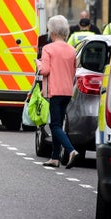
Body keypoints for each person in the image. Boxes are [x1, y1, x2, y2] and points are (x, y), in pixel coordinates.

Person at [38, 15, 79, 168]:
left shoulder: (48, 48)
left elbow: (45, 70)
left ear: (53, 32)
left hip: (54, 91)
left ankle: (71, 150)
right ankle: (55, 157)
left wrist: (38, 64)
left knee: (54, 125)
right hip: (67, 92)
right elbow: (74, 71)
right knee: (59, 124)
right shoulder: (72, 50)